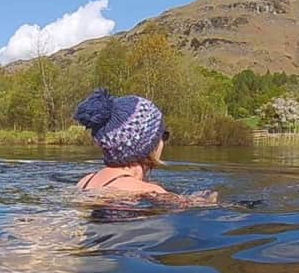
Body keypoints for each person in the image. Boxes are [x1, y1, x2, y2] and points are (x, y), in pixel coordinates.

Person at [74, 88, 217, 206]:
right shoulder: (149, 191)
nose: (163, 142)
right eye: (163, 135)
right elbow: (191, 206)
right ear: (148, 145)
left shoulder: (84, 182)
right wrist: (207, 201)